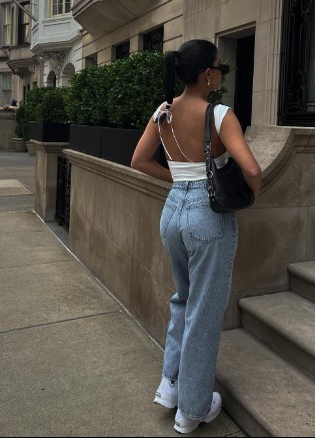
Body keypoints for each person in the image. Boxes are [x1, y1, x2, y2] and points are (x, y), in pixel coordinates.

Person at [131, 39, 262, 434]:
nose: (220, 75)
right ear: (207, 74)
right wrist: (251, 194)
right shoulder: (220, 115)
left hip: (172, 213)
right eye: (219, 68)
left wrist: (178, 179)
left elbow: (138, 160)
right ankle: (193, 409)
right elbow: (252, 171)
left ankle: (169, 385)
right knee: (205, 312)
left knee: (183, 298)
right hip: (208, 217)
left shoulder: (164, 114)